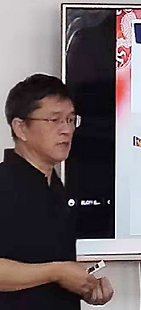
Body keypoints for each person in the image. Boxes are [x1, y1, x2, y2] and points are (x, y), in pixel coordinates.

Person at [0, 74, 114, 309]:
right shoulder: (4, 183)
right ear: (20, 128)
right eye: (54, 120)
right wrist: (57, 272)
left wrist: (85, 289)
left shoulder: (55, 187)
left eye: (71, 120)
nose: (67, 130)